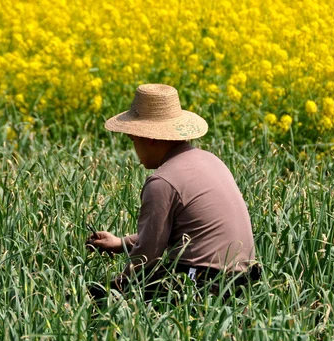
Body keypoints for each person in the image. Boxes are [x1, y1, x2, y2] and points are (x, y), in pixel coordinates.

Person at [87, 83, 259, 301]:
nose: (134, 150)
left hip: (203, 286)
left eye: (133, 140)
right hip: (244, 285)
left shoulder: (162, 182)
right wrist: (121, 243)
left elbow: (146, 259)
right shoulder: (211, 161)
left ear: (149, 137)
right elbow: (180, 233)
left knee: (88, 300)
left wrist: (112, 290)